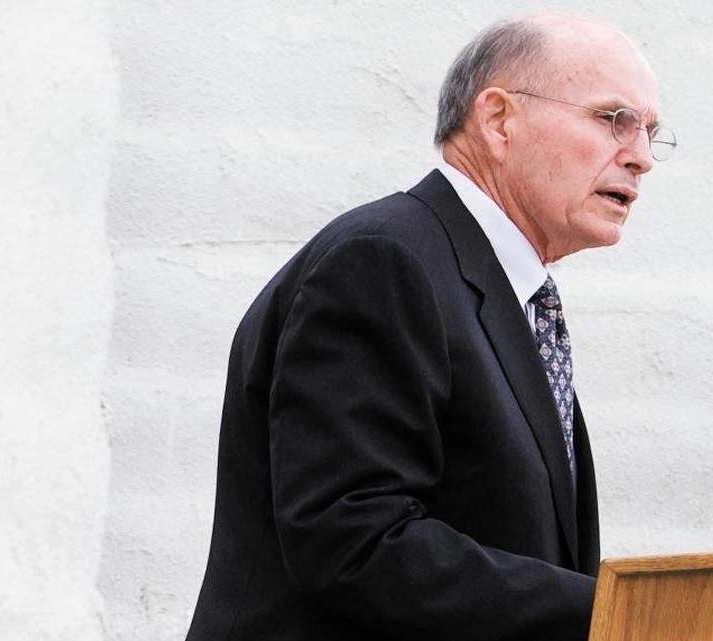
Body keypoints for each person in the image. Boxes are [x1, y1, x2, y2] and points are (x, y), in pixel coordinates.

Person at [185, 14, 674, 641]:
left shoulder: (501, 292)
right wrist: (620, 612)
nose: (640, 158)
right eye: (613, 120)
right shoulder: (385, 260)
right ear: (499, 120)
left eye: (651, 132)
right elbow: (354, 540)